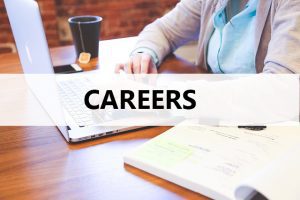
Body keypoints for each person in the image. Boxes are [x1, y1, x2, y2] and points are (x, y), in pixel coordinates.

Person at [116, 0, 300, 74]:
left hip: (266, 132)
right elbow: (164, 30)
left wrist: (196, 97)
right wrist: (144, 53)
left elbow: (279, 87)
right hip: (213, 123)